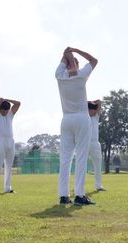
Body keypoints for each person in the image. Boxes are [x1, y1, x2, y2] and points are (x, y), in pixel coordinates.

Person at [55, 47, 98, 205]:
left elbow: (65, 60)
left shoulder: (60, 76)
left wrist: (67, 54)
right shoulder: (80, 75)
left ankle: (63, 196)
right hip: (81, 118)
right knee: (80, 157)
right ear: (76, 65)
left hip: (66, 119)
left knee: (65, 159)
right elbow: (94, 60)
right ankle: (79, 195)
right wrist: (75, 51)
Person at [0, 98, 21, 194]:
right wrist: (1, 101)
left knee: (9, 166)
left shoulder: (10, 114)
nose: (5, 112)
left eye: (7, 110)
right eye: (4, 110)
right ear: (0, 109)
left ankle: (8, 188)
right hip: (0, 141)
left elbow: (18, 103)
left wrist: (7, 99)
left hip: (10, 141)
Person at [88, 100, 105, 191]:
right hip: (84, 143)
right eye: (92, 109)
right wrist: (88, 103)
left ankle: (99, 186)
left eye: (95, 109)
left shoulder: (96, 117)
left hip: (95, 143)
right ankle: (78, 187)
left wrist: (92, 102)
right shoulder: (84, 117)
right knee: (81, 166)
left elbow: (99, 101)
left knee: (98, 166)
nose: (95, 111)